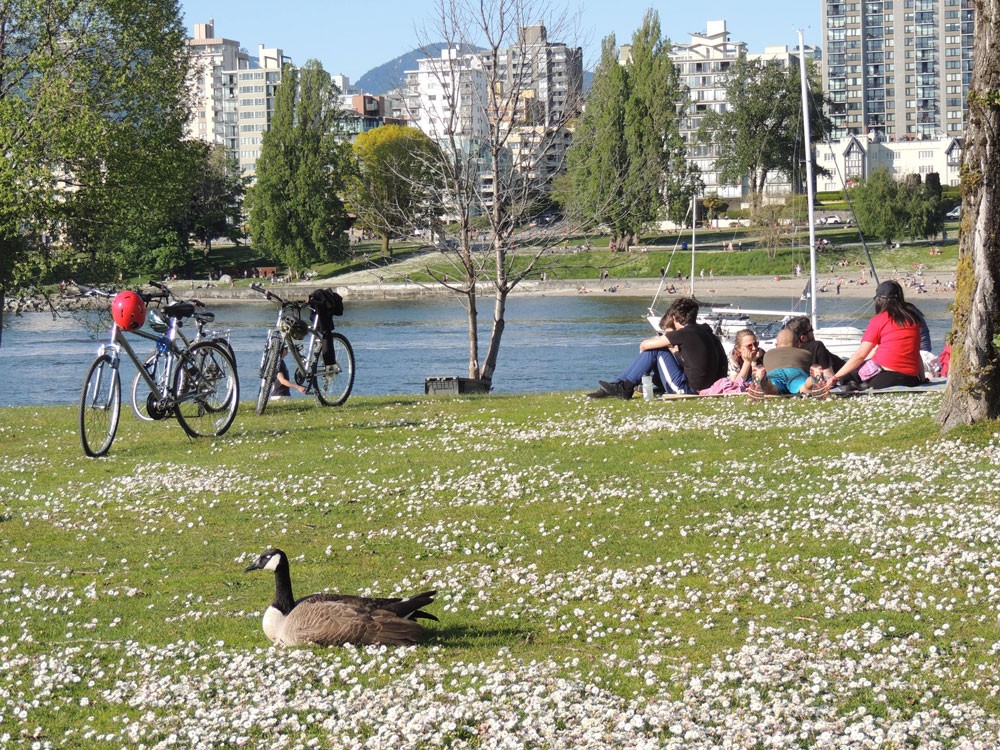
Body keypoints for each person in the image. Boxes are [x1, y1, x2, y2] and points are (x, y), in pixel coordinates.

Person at [588, 297, 726, 399]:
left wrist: (658, 341)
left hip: (689, 390)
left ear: (674, 318)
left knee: (656, 350)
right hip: (709, 387)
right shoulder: (707, 333)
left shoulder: (683, 333)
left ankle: (624, 387)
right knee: (660, 351)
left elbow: (643, 345)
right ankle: (620, 385)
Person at [831, 280, 927, 391]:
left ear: (879, 300)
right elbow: (916, 352)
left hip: (885, 377)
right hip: (911, 379)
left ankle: (858, 386)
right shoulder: (913, 319)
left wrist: (835, 377)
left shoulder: (879, 320)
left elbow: (860, 355)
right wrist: (922, 378)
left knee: (848, 376)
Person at [749, 328, 826, 398]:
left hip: (775, 372)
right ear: (798, 344)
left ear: (776, 345)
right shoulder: (805, 353)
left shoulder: (768, 354)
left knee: (772, 388)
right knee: (804, 387)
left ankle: (764, 382)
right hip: (795, 372)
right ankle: (813, 379)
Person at [698, 329, 763, 395]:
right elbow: (735, 384)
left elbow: (760, 383)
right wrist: (747, 362)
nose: (754, 348)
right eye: (749, 346)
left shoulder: (761, 354)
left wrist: (754, 362)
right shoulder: (733, 357)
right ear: (739, 348)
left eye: (755, 344)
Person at [785, 316, 845, 382]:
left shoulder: (788, 352)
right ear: (803, 338)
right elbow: (829, 377)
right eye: (811, 331)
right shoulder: (816, 346)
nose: (813, 333)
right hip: (848, 378)